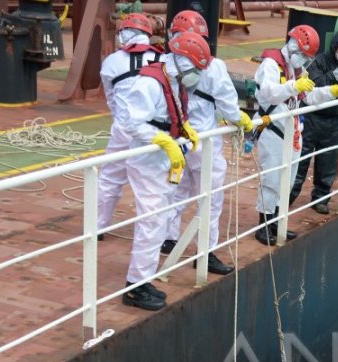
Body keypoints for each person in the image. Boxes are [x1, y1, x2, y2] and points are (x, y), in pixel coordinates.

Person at [118, 31, 211, 310]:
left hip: (162, 160)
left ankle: (144, 278)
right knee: (152, 221)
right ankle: (135, 286)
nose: (195, 74)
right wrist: (161, 140)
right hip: (148, 162)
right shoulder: (148, 84)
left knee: (159, 220)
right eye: (195, 67)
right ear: (181, 60)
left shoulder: (171, 80)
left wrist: (183, 130)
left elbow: (171, 114)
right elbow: (130, 122)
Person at [159, 10, 253, 275]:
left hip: (175, 139)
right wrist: (239, 119)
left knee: (177, 190)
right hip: (204, 142)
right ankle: (205, 252)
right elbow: (227, 104)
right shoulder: (213, 66)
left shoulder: (164, 62)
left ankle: (168, 237)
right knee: (210, 198)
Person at [252, 26, 338, 245]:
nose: (305, 61)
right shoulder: (271, 65)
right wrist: (292, 86)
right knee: (272, 180)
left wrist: (332, 92)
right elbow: (268, 92)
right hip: (273, 130)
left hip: (293, 132)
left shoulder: (296, 70)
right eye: (304, 56)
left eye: (308, 57)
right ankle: (264, 225)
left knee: (286, 180)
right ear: (294, 46)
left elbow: (309, 96)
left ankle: (277, 222)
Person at [97, 13, 162, 241]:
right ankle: (156, 234)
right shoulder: (162, 59)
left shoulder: (111, 62)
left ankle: (98, 227)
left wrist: (122, 121)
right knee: (153, 185)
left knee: (110, 179)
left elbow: (111, 98)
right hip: (155, 132)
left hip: (124, 128)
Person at [289, 29, 338, 215]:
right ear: (335, 47)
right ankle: (288, 195)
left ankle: (321, 198)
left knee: (328, 162)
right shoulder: (318, 62)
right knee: (300, 160)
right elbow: (315, 85)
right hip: (312, 118)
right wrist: (335, 75)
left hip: (333, 121)